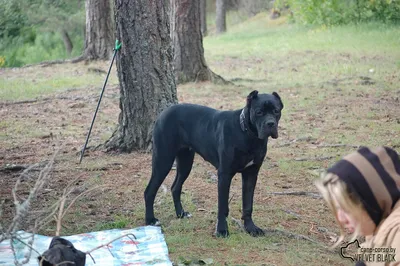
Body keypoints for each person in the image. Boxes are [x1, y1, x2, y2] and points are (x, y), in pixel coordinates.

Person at [315, 146, 400, 266]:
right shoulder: (378, 227)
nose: (341, 219)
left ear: (370, 201)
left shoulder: (396, 233)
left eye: (346, 209)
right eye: (338, 208)